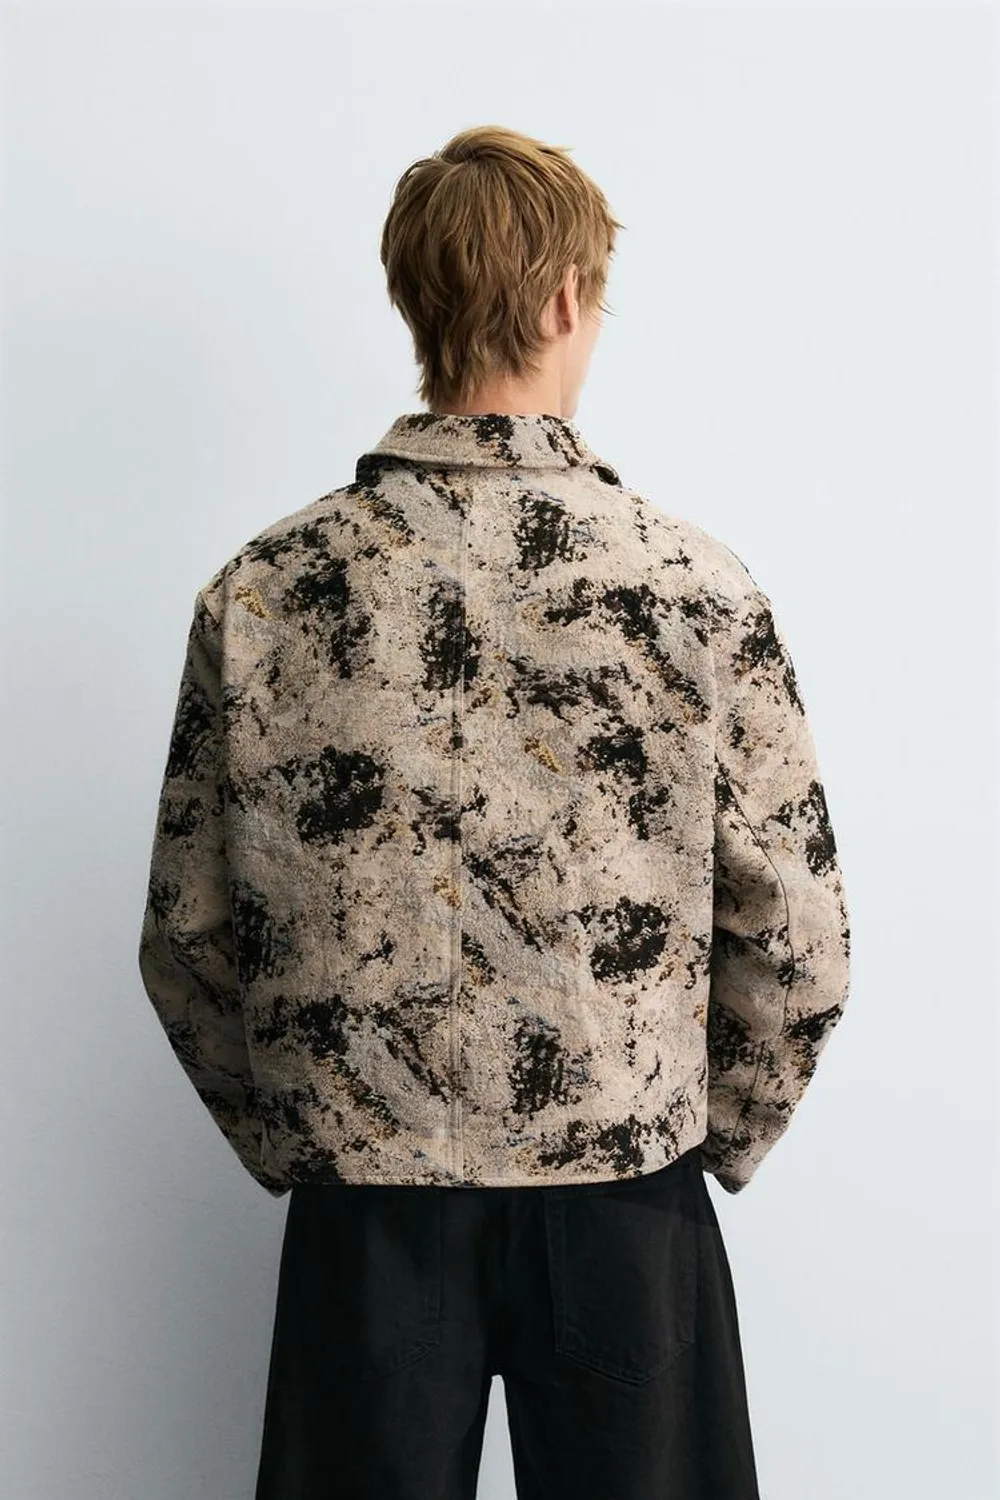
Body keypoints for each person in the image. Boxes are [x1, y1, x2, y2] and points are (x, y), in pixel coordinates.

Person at [137, 123, 851, 1500]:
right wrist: (699, 1135)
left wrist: (312, 1136)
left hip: (366, 1208)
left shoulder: (265, 592)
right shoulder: (693, 588)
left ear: (414, 303)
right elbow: (797, 937)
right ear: (568, 297)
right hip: (625, 1194)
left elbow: (188, 936)